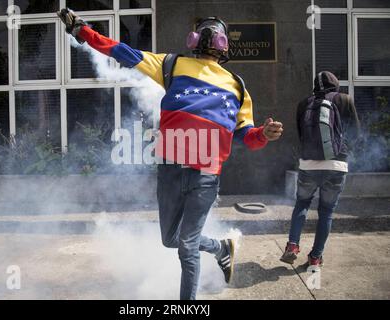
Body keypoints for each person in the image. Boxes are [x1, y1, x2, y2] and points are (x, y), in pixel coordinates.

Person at [57, 9, 283, 300]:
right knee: (170, 240)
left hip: (205, 175)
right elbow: (121, 51)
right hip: (170, 169)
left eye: (216, 33)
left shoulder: (237, 86)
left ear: (224, 43)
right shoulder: (172, 64)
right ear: (195, 38)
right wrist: (82, 31)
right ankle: (221, 248)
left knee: (187, 247)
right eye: (207, 31)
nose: (211, 37)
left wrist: (263, 134)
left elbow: (246, 136)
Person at [280, 71, 360, 269]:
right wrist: (344, 150)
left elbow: (300, 134)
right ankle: (315, 257)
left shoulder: (303, 104)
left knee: (302, 204)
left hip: (308, 164)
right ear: (336, 85)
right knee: (326, 212)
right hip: (336, 165)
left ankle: (292, 245)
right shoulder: (345, 100)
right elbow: (356, 132)